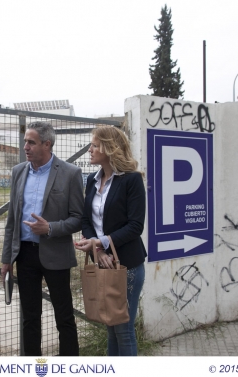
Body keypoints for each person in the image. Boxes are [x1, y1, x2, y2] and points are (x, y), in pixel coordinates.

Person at [1, 121, 84, 356]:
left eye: (31, 142)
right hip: (25, 255)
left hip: (56, 253)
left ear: (47, 144)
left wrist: (49, 228)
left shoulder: (70, 173)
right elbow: (12, 219)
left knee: (64, 316)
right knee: (29, 317)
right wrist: (7, 259)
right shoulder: (18, 172)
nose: (25, 147)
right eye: (25, 141)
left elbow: (78, 218)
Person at [74, 126, 147, 356]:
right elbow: (86, 220)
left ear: (109, 148)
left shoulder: (132, 180)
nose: (90, 150)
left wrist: (100, 243)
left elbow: (135, 226)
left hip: (128, 266)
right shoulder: (91, 180)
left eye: (95, 145)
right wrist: (98, 251)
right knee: (110, 327)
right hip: (102, 262)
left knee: (123, 330)